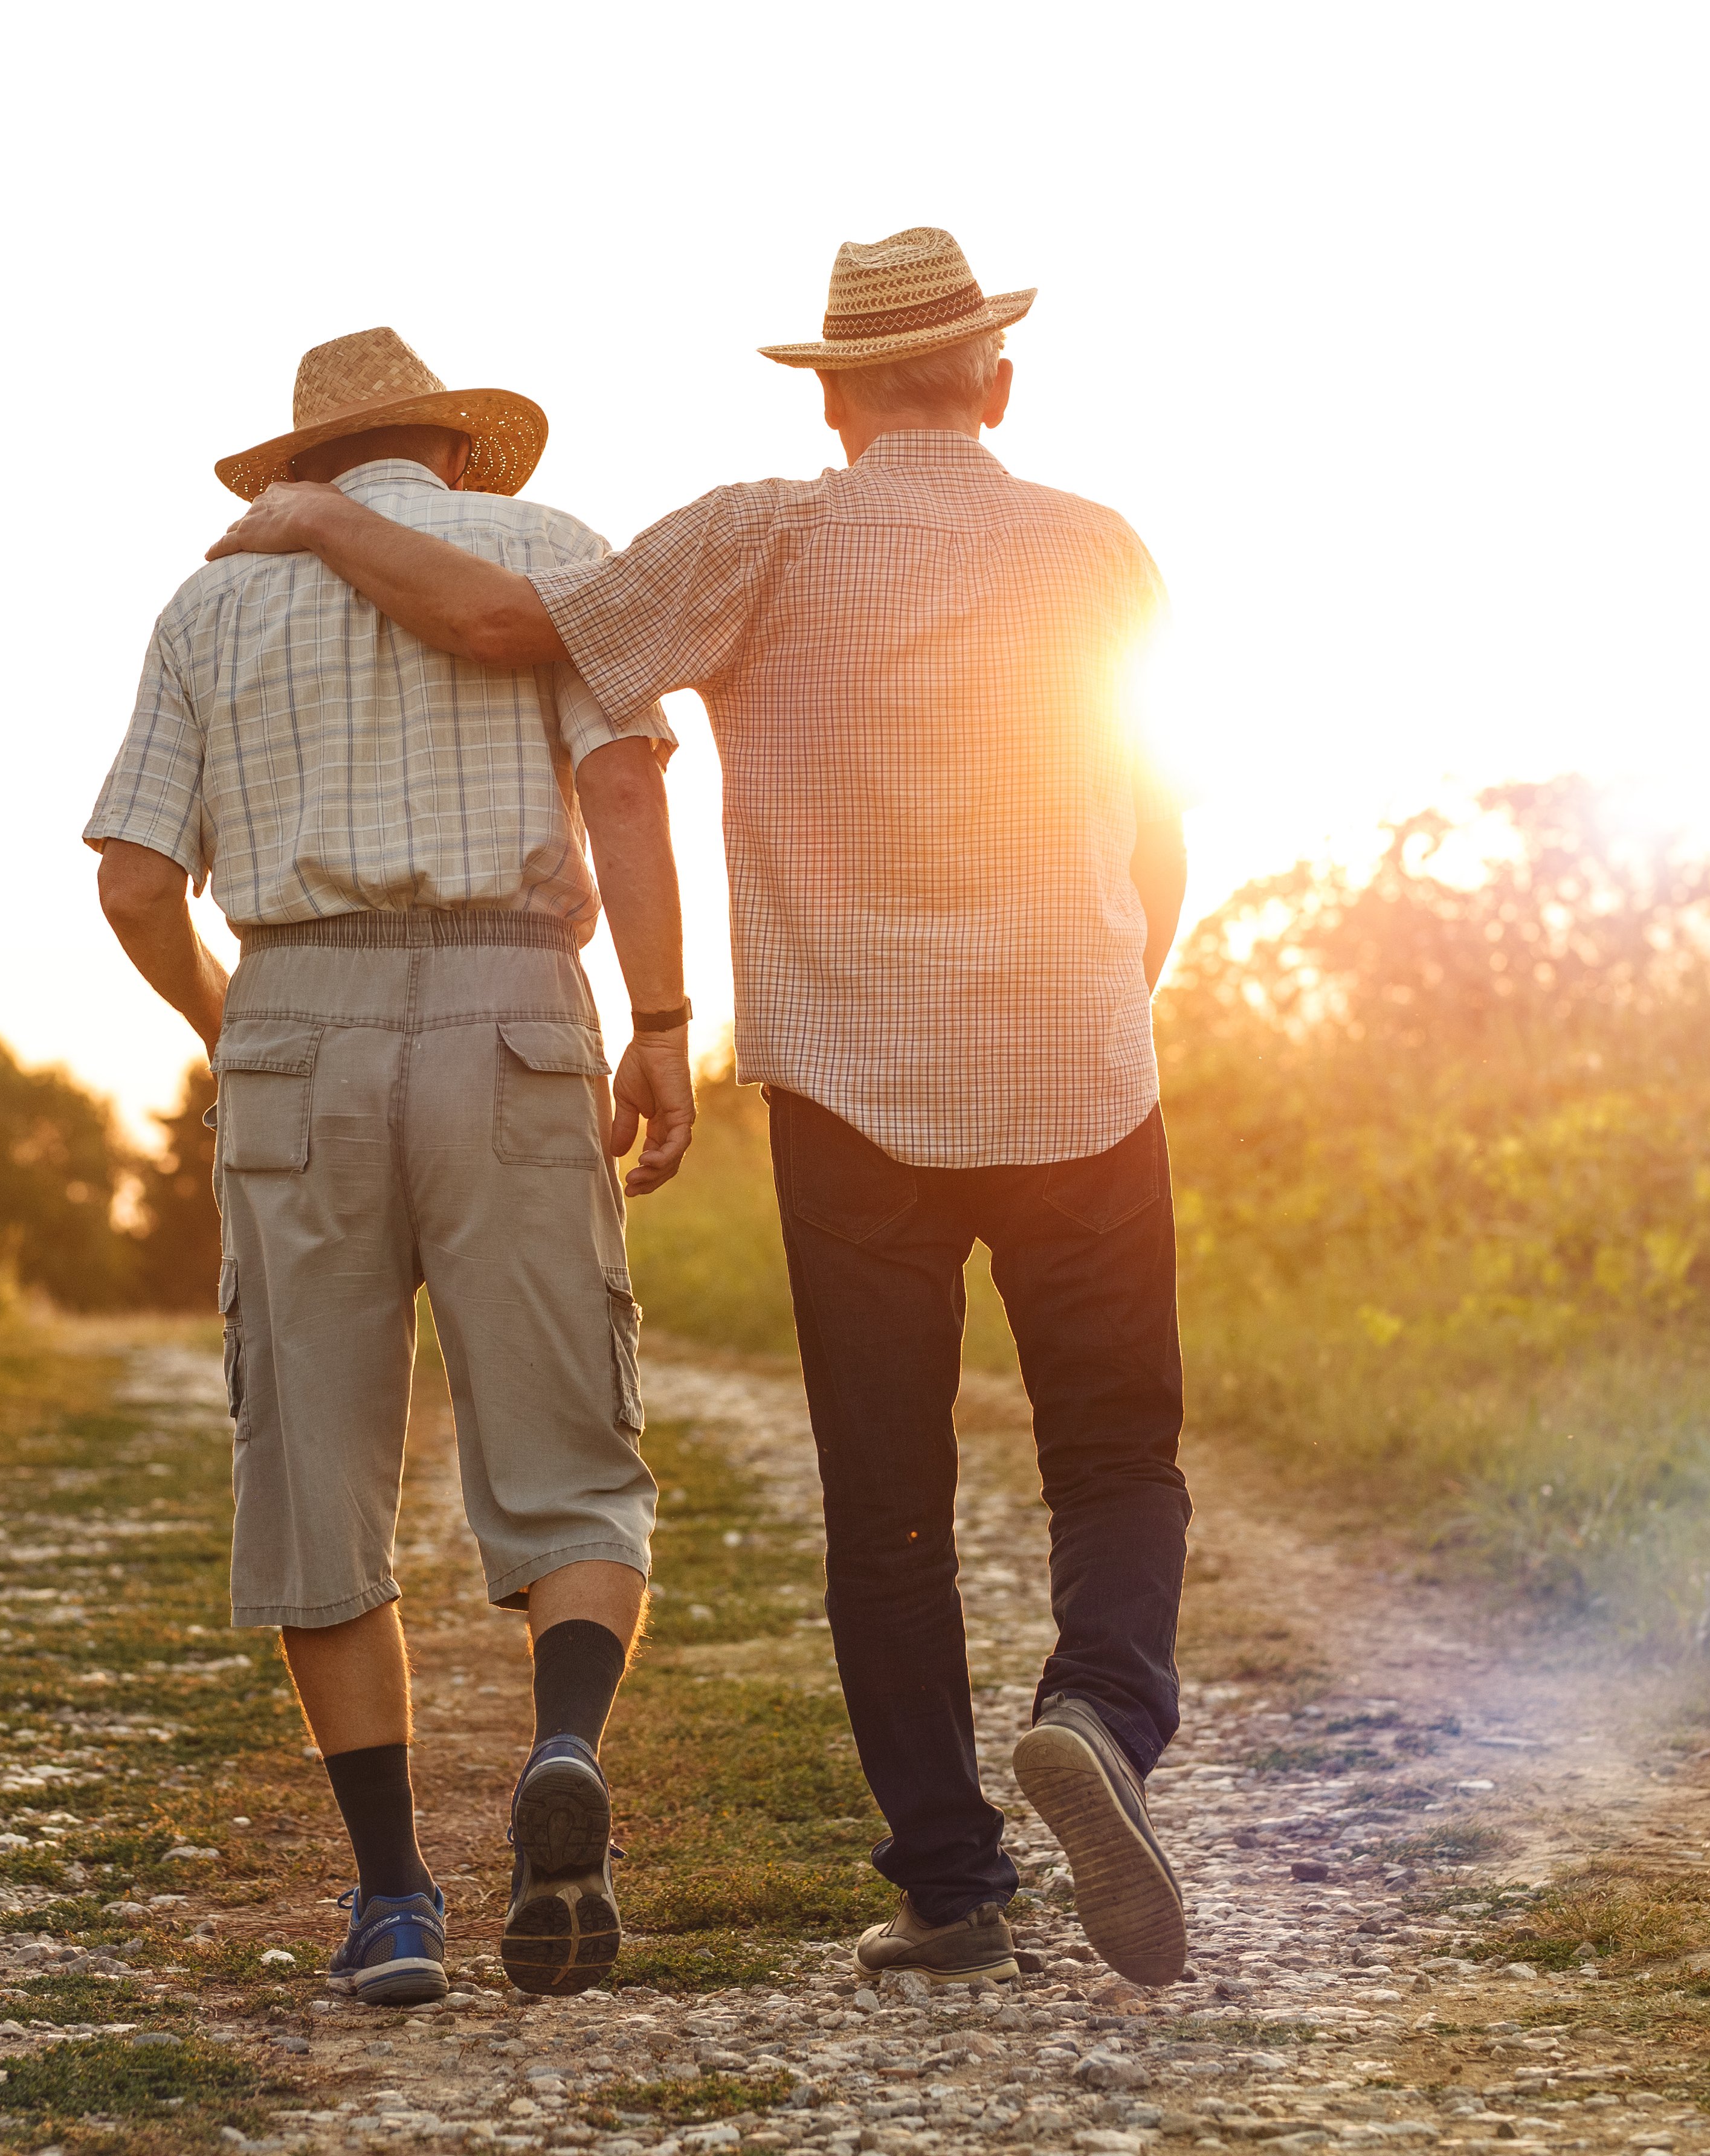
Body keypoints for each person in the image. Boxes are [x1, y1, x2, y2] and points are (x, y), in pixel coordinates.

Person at [199, 231, 1196, 1991]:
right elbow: (1154, 813)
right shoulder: (1099, 549)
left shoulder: (764, 537)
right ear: (1001, 382)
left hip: (853, 1093)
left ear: (826, 396)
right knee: (1116, 1453)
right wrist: (1118, 988)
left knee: (886, 1497)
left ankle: (953, 1886)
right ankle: (1101, 1713)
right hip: (1085, 1075)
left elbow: (509, 627)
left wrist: (322, 520)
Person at [86, 327, 700, 2007]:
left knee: (318, 1476)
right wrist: (658, 1017)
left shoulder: (212, 602)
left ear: (304, 466)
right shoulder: (559, 554)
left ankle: (389, 1906)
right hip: (516, 1003)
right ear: (451, 448)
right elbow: (630, 793)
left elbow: (136, 881)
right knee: (575, 1459)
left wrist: (237, 1021)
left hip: (299, 1015)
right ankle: (559, 1746)